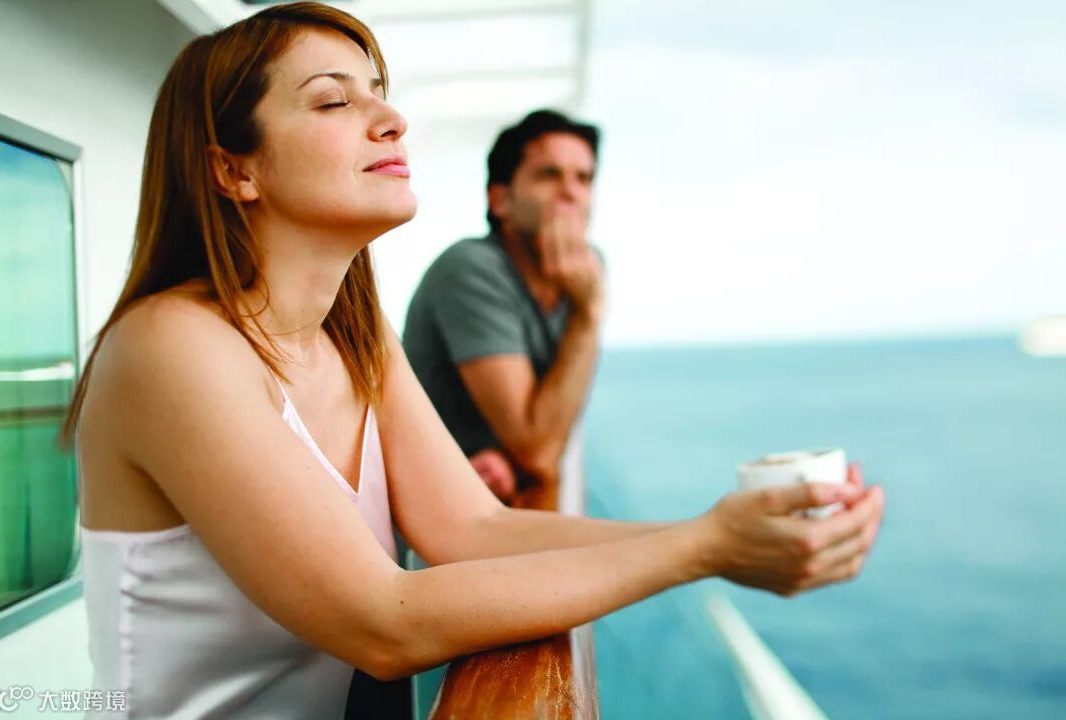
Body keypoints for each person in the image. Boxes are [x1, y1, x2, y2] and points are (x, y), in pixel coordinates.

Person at [66, 4, 885, 718]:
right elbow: (384, 622)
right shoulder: (169, 347)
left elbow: (475, 529)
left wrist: (731, 533)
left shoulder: (355, 333)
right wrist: (707, 548)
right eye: (334, 101)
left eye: (379, 92)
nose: (391, 120)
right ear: (233, 169)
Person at [403, 110, 602, 501]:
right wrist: (588, 315)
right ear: (500, 199)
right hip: (438, 507)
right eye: (548, 175)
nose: (570, 192)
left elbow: (551, 444)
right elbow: (538, 452)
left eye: (584, 178)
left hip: (514, 501)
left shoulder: (586, 270)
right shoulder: (471, 268)